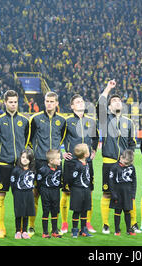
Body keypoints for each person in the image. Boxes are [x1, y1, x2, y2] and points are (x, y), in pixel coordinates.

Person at [96, 80, 137, 234]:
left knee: (128, 194)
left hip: (126, 165)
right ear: (109, 107)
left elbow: (132, 143)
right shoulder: (105, 119)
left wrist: (129, 158)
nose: (117, 102)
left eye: (119, 100)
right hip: (109, 162)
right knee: (107, 193)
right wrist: (108, 88)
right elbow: (100, 103)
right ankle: (106, 224)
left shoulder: (129, 122)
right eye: (113, 101)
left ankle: (133, 224)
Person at [26, 91, 66, 235]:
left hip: (55, 163)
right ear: (44, 102)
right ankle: (31, 225)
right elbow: (28, 139)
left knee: (55, 194)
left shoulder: (62, 121)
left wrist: (55, 155)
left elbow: (61, 138)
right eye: (47, 101)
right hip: (39, 162)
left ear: (56, 103)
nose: (49, 104)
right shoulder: (35, 119)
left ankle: (55, 228)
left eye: (51, 101)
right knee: (35, 194)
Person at [61, 94, 99, 234]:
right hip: (71, 162)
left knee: (88, 192)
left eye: (82, 101)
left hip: (87, 163)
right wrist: (61, 154)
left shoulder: (91, 121)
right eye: (77, 102)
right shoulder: (67, 121)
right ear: (72, 106)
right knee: (66, 192)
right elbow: (59, 138)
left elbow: (95, 138)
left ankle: (87, 223)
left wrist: (94, 150)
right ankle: (65, 223)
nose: (80, 103)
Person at [0, 90, 29, 238]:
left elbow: (27, 139)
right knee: (1, 194)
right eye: (10, 102)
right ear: (5, 103)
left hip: (20, 166)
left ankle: (21, 229)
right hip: (3, 163)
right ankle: (2, 229)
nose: (13, 104)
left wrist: (22, 158)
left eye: (15, 102)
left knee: (20, 197)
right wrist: (0, 156)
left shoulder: (25, 121)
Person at [64, 143, 93, 238]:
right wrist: (74, 187)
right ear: (85, 154)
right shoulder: (77, 165)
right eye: (88, 150)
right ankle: (75, 230)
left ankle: (84, 229)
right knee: (77, 211)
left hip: (86, 190)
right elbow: (72, 178)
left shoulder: (87, 163)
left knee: (85, 210)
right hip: (78, 190)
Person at [109, 150, 137, 236]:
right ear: (121, 157)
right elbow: (111, 181)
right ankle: (117, 230)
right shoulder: (114, 167)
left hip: (127, 193)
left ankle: (129, 229)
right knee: (117, 211)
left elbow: (134, 181)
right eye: (125, 162)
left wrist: (133, 194)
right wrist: (113, 194)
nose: (126, 165)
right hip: (117, 193)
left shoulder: (132, 167)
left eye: (128, 163)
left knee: (127, 211)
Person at [10, 148, 36, 239]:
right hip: (18, 193)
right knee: (19, 213)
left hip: (29, 194)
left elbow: (33, 182)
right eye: (23, 157)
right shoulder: (16, 170)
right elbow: (12, 183)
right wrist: (16, 193)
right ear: (20, 158)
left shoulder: (32, 170)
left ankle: (24, 231)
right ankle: (17, 231)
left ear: (31, 159)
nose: (25, 159)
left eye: (27, 158)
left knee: (26, 213)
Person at [37, 149, 63, 238]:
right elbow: (39, 182)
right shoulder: (43, 170)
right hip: (46, 192)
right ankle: (45, 232)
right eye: (58, 158)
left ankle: (55, 230)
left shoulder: (59, 168)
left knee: (55, 211)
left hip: (55, 192)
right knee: (46, 211)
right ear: (51, 161)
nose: (60, 160)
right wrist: (43, 192)